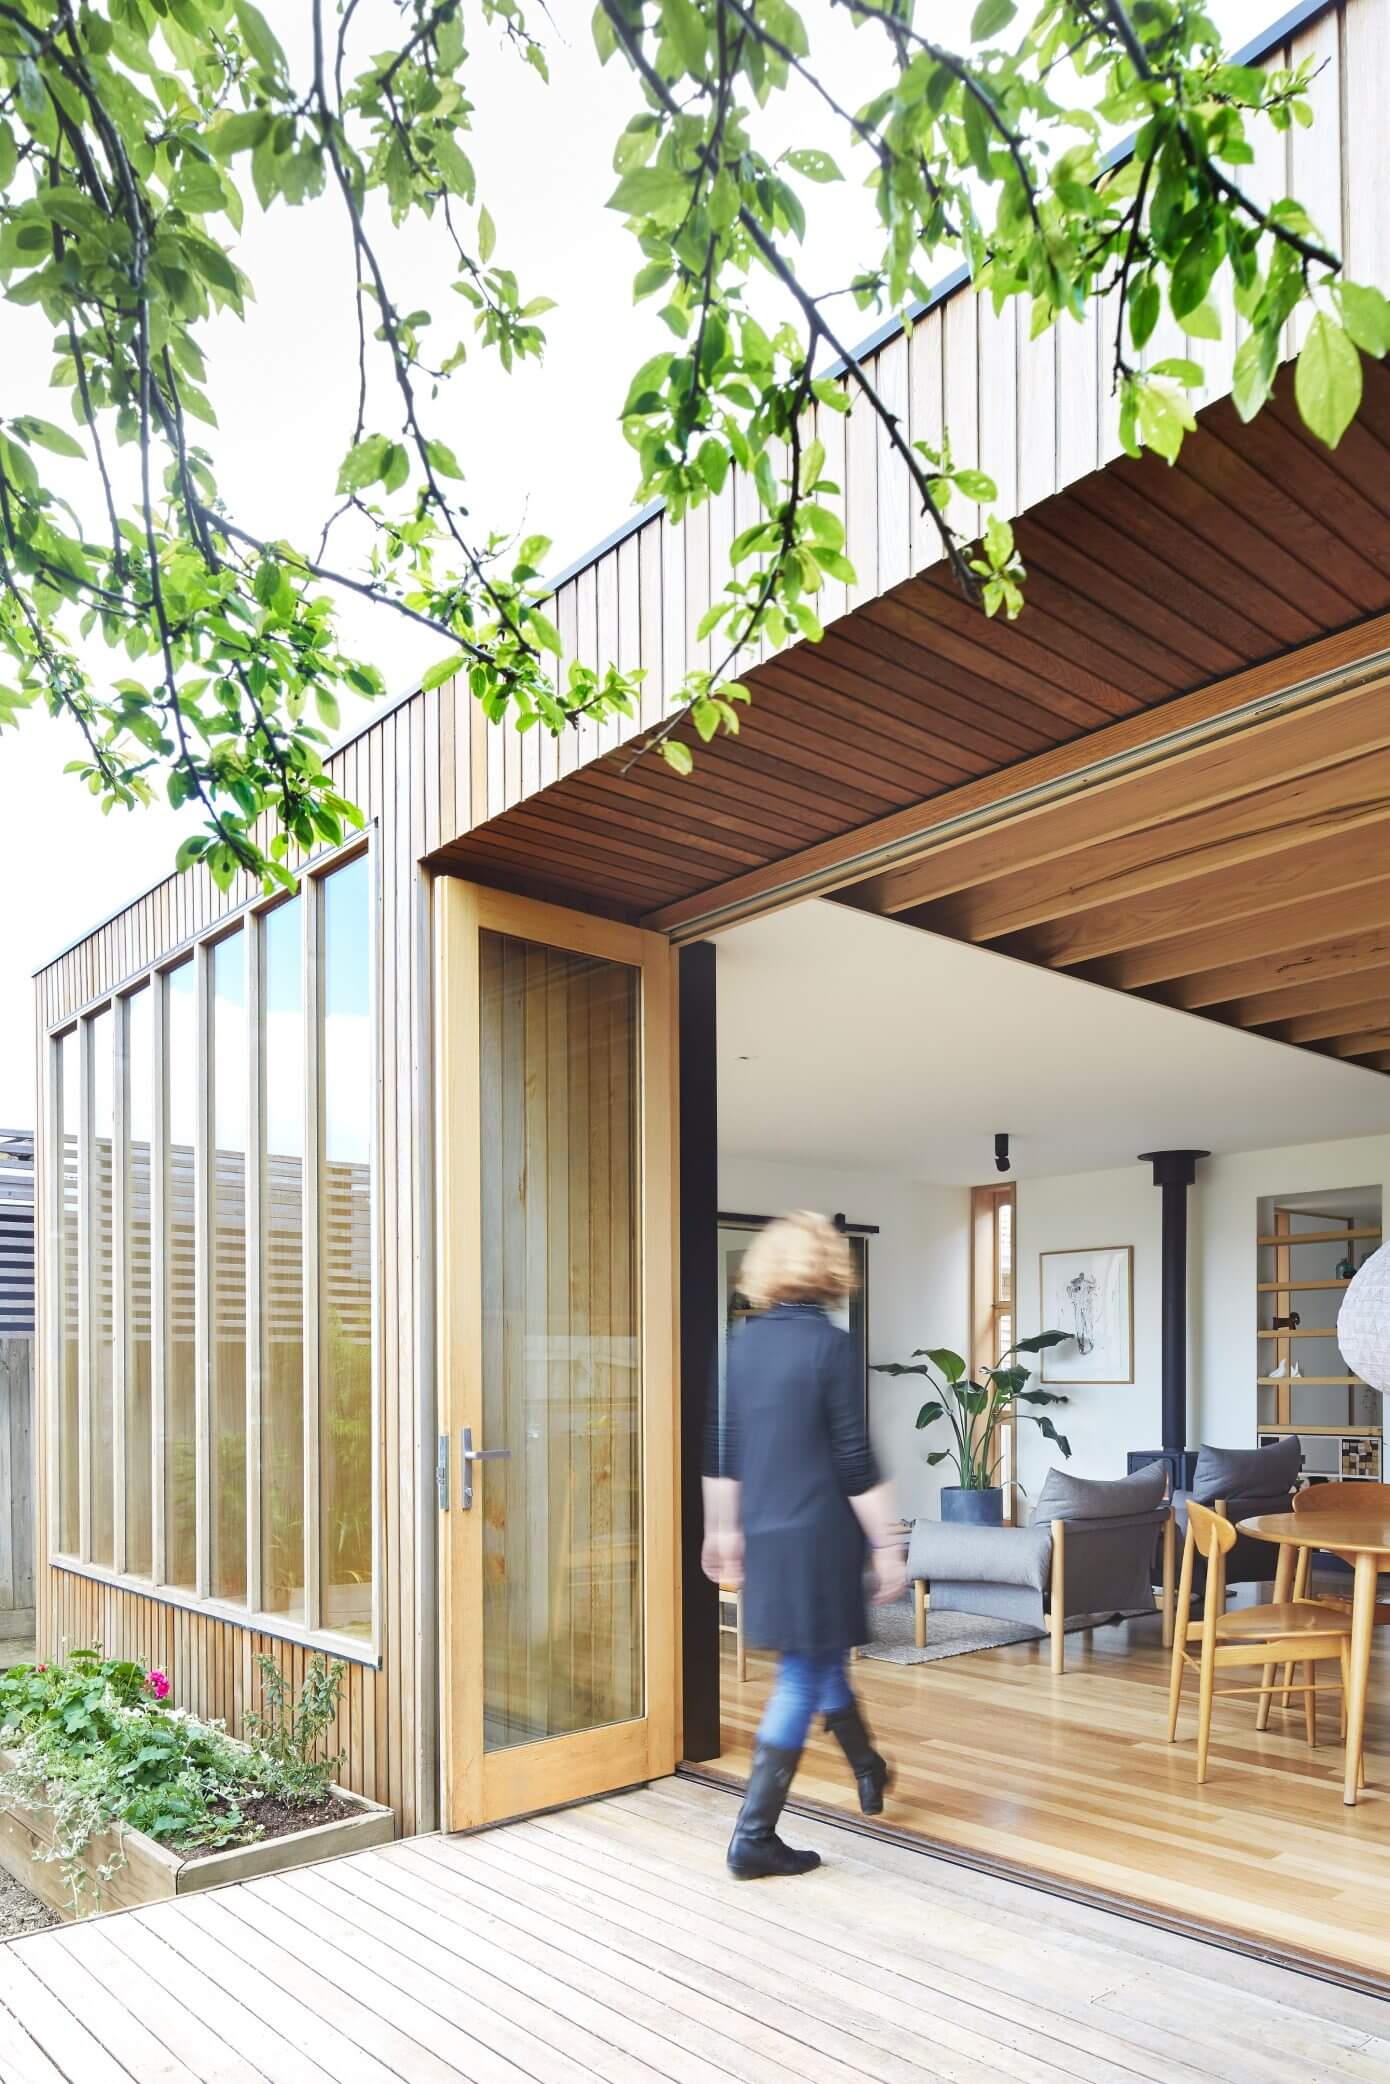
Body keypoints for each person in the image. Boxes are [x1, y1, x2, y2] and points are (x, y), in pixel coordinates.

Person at [703, 1210, 908, 1879]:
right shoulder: (832, 1347)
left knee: (818, 1661)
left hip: (765, 1530)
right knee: (802, 1674)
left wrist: (721, 1530)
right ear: (830, 1269)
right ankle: (753, 1835)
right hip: (821, 1535)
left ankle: (869, 1767)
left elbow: (721, 1446)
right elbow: (854, 1457)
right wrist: (888, 1544)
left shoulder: (743, 1343)